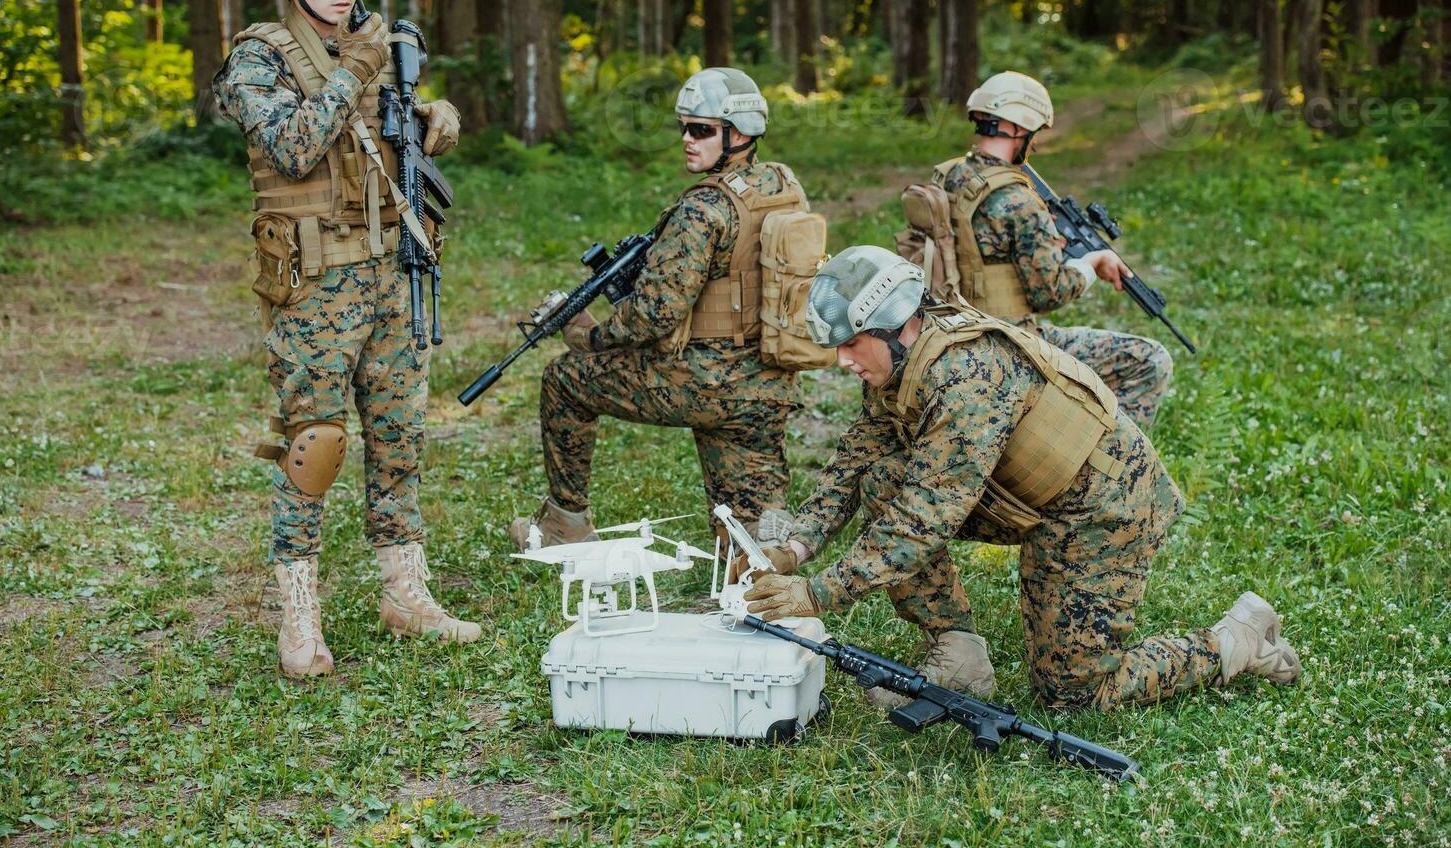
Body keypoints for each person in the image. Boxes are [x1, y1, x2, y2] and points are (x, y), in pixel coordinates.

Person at [740, 246, 1301, 711]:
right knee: (883, 479)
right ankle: (959, 655)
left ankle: (1236, 642)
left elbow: (921, 522)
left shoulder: (965, 378)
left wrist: (815, 593)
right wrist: (794, 543)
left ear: (892, 327)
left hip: (1101, 508)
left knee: (1075, 695)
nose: (842, 361)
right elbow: (855, 461)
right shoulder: (900, 362)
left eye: (850, 343)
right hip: (1033, 497)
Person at [213, 0, 478, 679]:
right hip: (315, 286)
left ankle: (407, 595)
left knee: (399, 436)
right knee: (313, 447)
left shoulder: (360, 55)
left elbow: (380, 136)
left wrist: (430, 118)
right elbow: (295, 147)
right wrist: (362, 64)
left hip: (392, 271)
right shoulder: (256, 60)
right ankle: (301, 618)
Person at [509, 68, 810, 550]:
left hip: (704, 381)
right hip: (770, 379)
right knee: (744, 536)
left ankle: (565, 524)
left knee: (565, 379)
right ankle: (763, 537)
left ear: (740, 133)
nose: (687, 140)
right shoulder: (783, 185)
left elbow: (654, 313)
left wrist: (589, 336)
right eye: (684, 128)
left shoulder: (703, 210)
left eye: (702, 130)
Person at [913, 71, 1175, 428]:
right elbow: (1049, 291)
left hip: (950, 332)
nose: (1034, 144)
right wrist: (1091, 264)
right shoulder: (1020, 201)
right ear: (1020, 129)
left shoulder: (950, 177)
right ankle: (1103, 453)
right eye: (1034, 134)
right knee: (1150, 359)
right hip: (1010, 346)